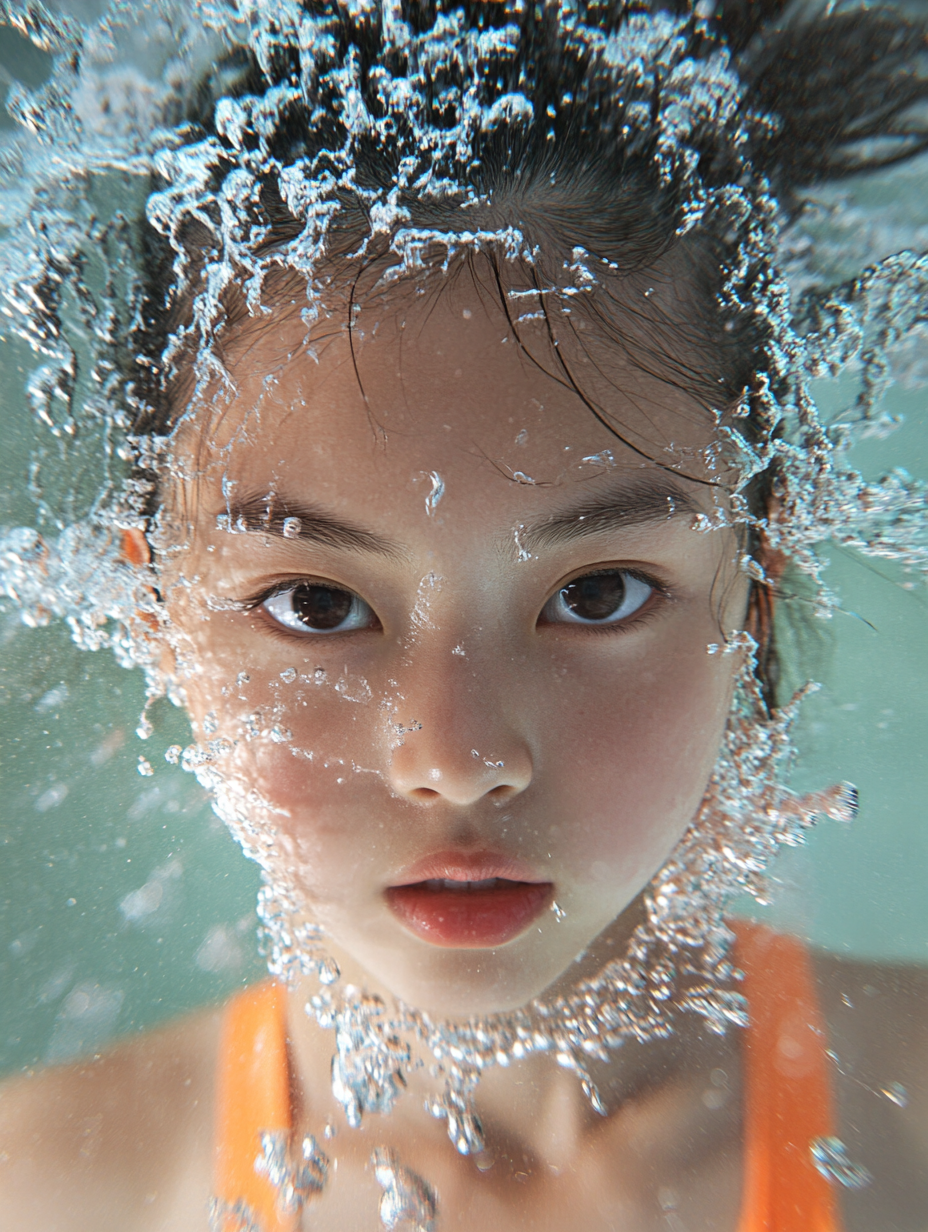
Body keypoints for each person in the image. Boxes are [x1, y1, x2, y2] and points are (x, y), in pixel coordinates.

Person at [0, 1, 927, 1229]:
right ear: (153, 612)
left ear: (754, 574)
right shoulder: (51, 1186)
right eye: (316, 603)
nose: (457, 756)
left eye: (596, 593)